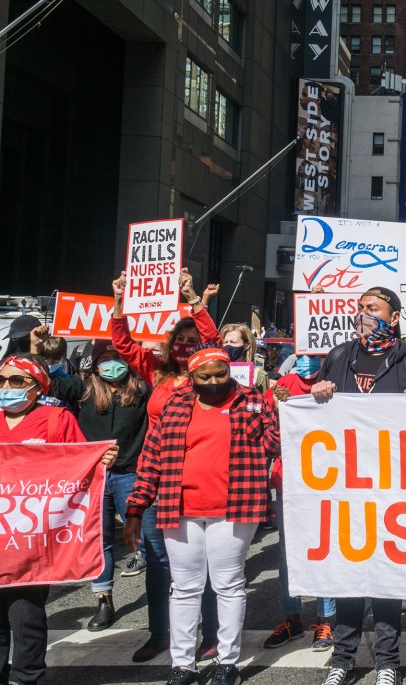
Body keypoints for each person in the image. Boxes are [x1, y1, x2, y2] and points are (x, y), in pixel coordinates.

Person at [124, 346, 280, 685]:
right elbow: (151, 458)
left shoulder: (252, 400)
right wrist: (136, 507)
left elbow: (275, 446)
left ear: (230, 370)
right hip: (179, 509)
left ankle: (228, 663)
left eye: (220, 375)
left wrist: (280, 414)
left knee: (228, 585)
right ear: (191, 377)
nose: (213, 382)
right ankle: (182, 666)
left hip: (235, 508)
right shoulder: (175, 405)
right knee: (184, 589)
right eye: (204, 377)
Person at [310, 286, 406, 685]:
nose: (364, 313)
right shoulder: (338, 357)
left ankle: (387, 662)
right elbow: (313, 414)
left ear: (394, 317)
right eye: (361, 308)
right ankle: (342, 660)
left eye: (374, 308)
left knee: (386, 577)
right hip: (345, 484)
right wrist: (317, 393)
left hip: (395, 486)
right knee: (348, 574)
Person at [110, 268, 222, 662]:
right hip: (157, 479)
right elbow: (122, 343)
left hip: (196, 478)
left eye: (194, 342)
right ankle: (159, 634)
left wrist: (193, 299)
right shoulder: (157, 373)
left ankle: (211, 636)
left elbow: (214, 341)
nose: (188, 346)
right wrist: (121, 300)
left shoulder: (207, 378)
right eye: (182, 340)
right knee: (158, 565)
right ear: (171, 343)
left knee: (199, 567)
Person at [0, 354, 117, 685]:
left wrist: (101, 457)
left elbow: (79, 467)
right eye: (1, 380)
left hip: (30, 539)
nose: (7, 387)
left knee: (25, 616)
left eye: (17, 381)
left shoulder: (55, 419)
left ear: (38, 387)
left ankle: (26, 677)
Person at [29, 330, 152, 635]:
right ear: (94, 365)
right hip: (92, 478)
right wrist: (36, 347)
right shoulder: (82, 388)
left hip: (130, 474)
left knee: (149, 536)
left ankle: (163, 596)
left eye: (117, 359)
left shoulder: (142, 389)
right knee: (101, 541)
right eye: (105, 360)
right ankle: (104, 601)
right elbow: (41, 379)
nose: (112, 365)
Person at [263, 352, 337, 652]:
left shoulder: (336, 382)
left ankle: (326, 619)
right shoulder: (283, 384)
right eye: (302, 355)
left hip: (327, 478)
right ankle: (291, 618)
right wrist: (278, 406)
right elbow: (268, 431)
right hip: (289, 480)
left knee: (324, 548)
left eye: (313, 355)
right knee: (287, 553)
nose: (306, 360)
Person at [220, 323, 271, 392]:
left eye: (233, 342)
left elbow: (265, 400)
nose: (228, 345)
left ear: (247, 345)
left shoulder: (257, 375)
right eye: (225, 342)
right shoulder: (217, 371)